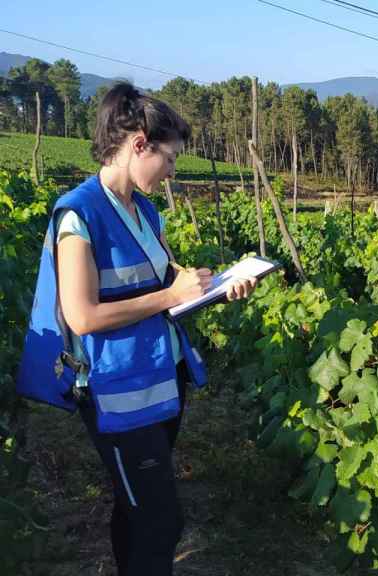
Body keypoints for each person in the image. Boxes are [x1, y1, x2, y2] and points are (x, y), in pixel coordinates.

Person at [16, 83, 258, 575]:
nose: (171, 171)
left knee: (136, 508)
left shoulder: (144, 210)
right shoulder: (79, 215)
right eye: (169, 158)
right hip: (117, 393)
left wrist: (214, 286)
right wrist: (172, 295)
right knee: (160, 522)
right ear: (139, 144)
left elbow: (167, 281)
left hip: (160, 380)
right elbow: (82, 315)